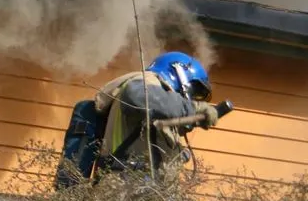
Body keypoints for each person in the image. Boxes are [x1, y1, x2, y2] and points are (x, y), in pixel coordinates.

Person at [93, 51, 219, 182]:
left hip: (138, 186)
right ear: (179, 73)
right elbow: (137, 96)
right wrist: (192, 109)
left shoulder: (158, 104)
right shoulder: (144, 82)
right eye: (195, 92)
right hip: (124, 184)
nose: (192, 99)